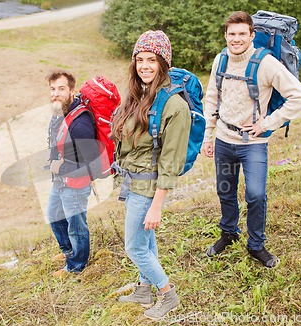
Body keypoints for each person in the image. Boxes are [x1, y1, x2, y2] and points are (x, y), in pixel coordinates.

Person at [202, 11, 301, 268]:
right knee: (225, 191)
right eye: (232, 34)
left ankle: (256, 246)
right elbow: (211, 99)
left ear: (252, 35)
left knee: (256, 194)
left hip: (253, 144)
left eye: (242, 34)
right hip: (224, 141)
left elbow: (300, 97)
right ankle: (228, 233)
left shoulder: (266, 63)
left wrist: (268, 123)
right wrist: (208, 137)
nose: (236, 39)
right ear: (225, 35)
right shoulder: (220, 60)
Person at [111, 30, 190, 320]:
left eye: (151, 60)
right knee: (146, 243)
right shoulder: (139, 95)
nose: (144, 65)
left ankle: (167, 294)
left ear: (163, 63)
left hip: (148, 190)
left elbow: (171, 164)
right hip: (132, 183)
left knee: (134, 247)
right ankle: (144, 289)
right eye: (140, 59)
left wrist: (156, 205)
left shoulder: (175, 106)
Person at [46, 70, 98, 277]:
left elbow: (92, 161)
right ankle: (69, 252)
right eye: (52, 89)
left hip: (75, 184)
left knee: (76, 227)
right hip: (60, 180)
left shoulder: (80, 122)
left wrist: (62, 167)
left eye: (61, 89)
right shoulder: (60, 113)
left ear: (71, 91)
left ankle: (77, 266)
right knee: (53, 216)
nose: (56, 93)